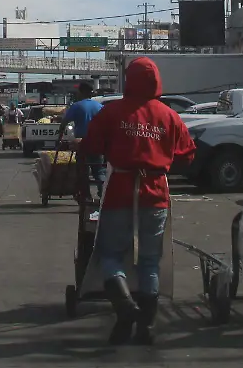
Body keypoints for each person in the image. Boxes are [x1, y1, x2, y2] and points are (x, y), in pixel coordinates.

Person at [79, 58, 195, 346]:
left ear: (128, 80)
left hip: (119, 189)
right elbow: (188, 154)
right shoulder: (169, 115)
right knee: (149, 261)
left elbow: (91, 145)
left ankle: (125, 306)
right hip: (155, 192)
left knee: (110, 254)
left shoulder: (112, 112)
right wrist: (161, 159)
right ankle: (147, 326)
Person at [58, 82, 105, 208]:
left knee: (83, 172)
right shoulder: (99, 106)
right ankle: (103, 194)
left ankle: (86, 196)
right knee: (99, 170)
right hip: (97, 143)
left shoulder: (76, 106)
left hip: (82, 143)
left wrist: (59, 136)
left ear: (82, 92)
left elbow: (64, 122)